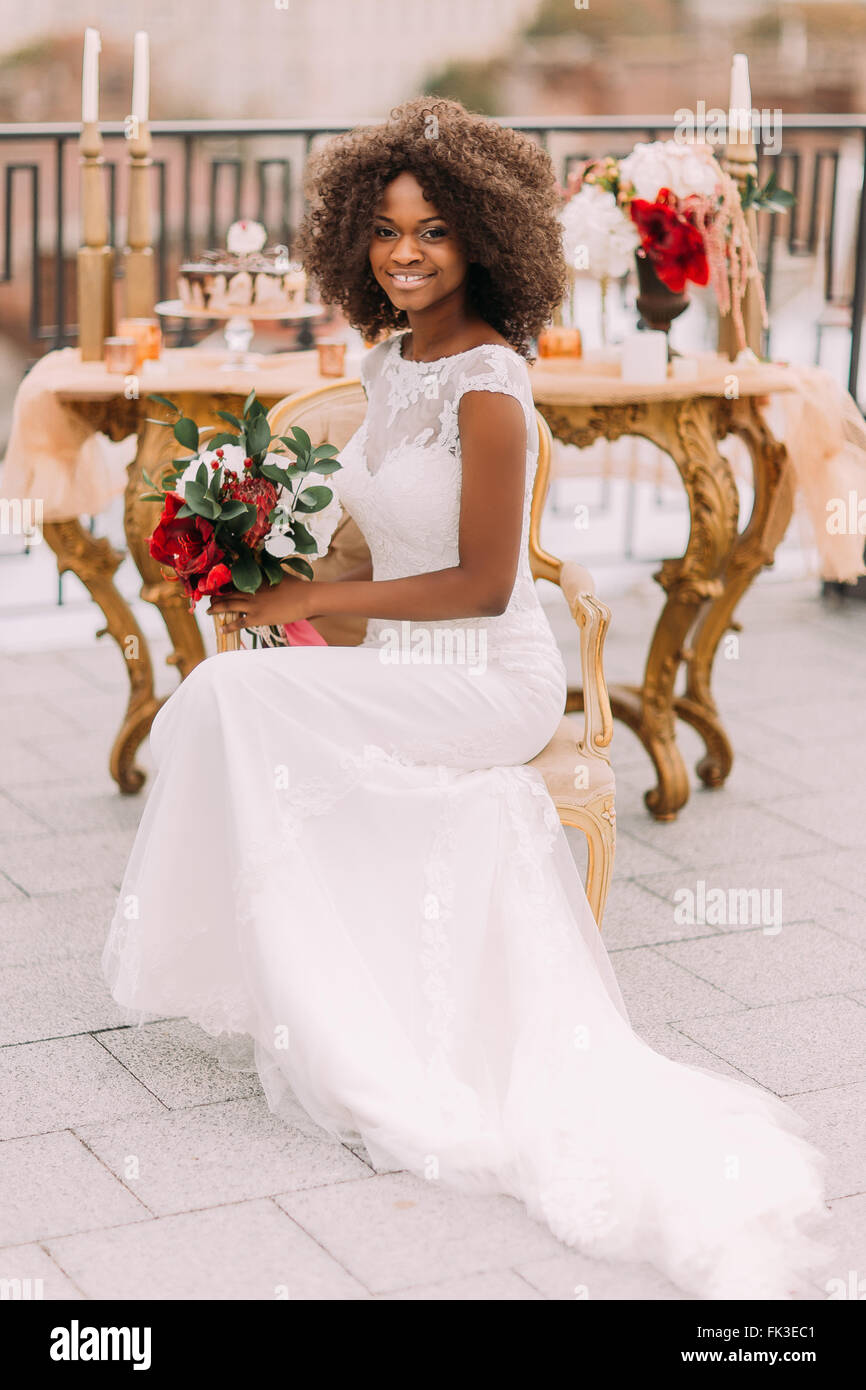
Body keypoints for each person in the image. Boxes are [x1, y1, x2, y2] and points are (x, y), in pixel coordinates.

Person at [103, 98, 830, 1299]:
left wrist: (320, 614)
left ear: (482, 239)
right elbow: (366, 550)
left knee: (236, 701)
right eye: (386, 232)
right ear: (355, 240)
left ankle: (331, 1012)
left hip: (484, 674)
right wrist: (257, 573)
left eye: (433, 232)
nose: (405, 254)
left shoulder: (490, 381)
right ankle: (309, 977)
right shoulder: (387, 364)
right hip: (400, 649)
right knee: (238, 691)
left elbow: (489, 583)